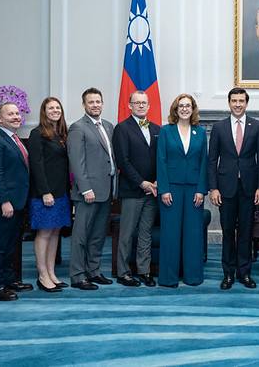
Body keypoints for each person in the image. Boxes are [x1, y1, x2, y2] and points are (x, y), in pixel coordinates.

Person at [208, 88, 259, 290]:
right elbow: (212, 160)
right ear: (229, 103)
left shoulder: (257, 126)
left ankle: (245, 273)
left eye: (241, 101)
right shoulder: (219, 127)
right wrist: (213, 188)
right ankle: (228, 274)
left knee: (246, 232)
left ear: (246, 103)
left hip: (249, 189)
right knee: (227, 232)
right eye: (234, 100)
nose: (238, 104)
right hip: (225, 189)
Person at [157, 94, 208, 287]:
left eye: (188, 106)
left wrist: (201, 189)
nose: (185, 109)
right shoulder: (166, 131)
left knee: (193, 234)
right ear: (175, 109)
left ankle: (193, 276)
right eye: (181, 106)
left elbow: (204, 162)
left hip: (194, 190)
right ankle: (169, 278)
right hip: (171, 189)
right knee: (170, 233)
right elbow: (161, 161)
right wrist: (164, 189)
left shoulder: (200, 132)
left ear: (193, 109)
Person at [68, 88, 115, 290]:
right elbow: (76, 162)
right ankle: (78, 275)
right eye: (91, 102)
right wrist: (85, 188)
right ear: (84, 105)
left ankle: (93, 271)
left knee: (98, 235)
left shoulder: (108, 126)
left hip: (106, 190)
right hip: (88, 192)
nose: (95, 105)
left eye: (98, 101)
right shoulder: (77, 128)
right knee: (81, 236)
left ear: (102, 103)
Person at [112, 90, 161, 288]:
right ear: (130, 105)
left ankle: (144, 270)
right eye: (137, 102)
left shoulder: (157, 129)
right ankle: (123, 272)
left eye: (144, 103)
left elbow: (160, 159)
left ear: (149, 106)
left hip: (152, 191)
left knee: (145, 232)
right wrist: (142, 183)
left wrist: (156, 182)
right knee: (126, 234)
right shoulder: (122, 128)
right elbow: (123, 161)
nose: (141, 106)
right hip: (133, 190)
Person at [0, 102, 32, 301]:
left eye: (17, 113)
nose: (16, 116)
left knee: (11, 245)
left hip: (19, 202)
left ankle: (9, 280)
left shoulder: (15, 139)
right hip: (5, 204)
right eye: (10, 114)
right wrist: (4, 201)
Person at [28, 97, 71, 293]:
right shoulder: (37, 134)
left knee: (55, 233)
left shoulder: (62, 134)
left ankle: (52, 273)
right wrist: (45, 192)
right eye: (51, 108)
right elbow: (36, 165)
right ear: (44, 112)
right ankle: (42, 275)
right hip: (45, 193)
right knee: (44, 232)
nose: (55, 110)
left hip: (61, 192)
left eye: (57, 108)